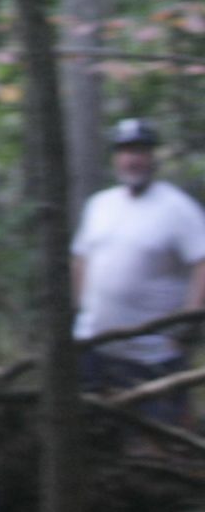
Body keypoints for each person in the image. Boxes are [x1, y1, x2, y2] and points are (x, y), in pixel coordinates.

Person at [73, 118, 205, 424]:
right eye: (125, 150)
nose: (132, 158)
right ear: (115, 157)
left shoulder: (177, 208)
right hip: (94, 348)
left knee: (156, 444)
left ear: (152, 157)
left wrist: (190, 322)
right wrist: (78, 311)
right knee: (96, 435)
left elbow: (202, 261)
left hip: (153, 357)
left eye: (140, 150)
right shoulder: (99, 205)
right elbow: (80, 257)